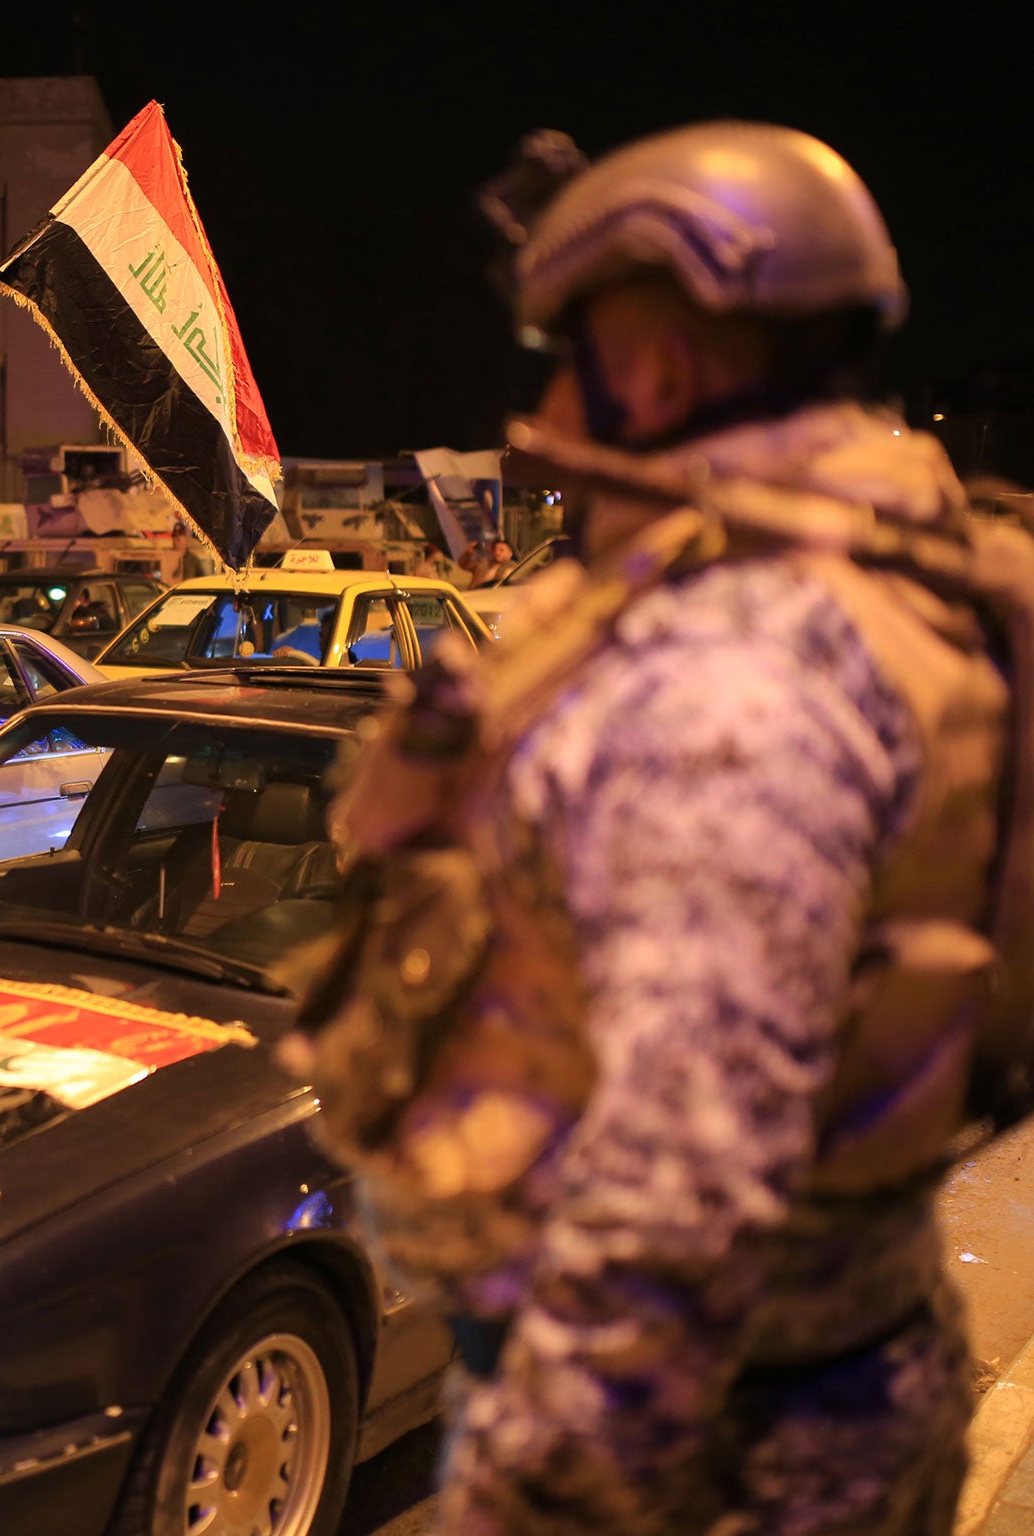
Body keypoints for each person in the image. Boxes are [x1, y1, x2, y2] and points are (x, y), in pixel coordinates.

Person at [300, 122, 1009, 1536]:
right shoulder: (828, 589)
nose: (551, 400)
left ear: (661, 367)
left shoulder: (732, 693)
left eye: (574, 356)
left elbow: (669, 1224)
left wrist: (525, 1504)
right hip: (811, 1388)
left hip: (713, 1466)